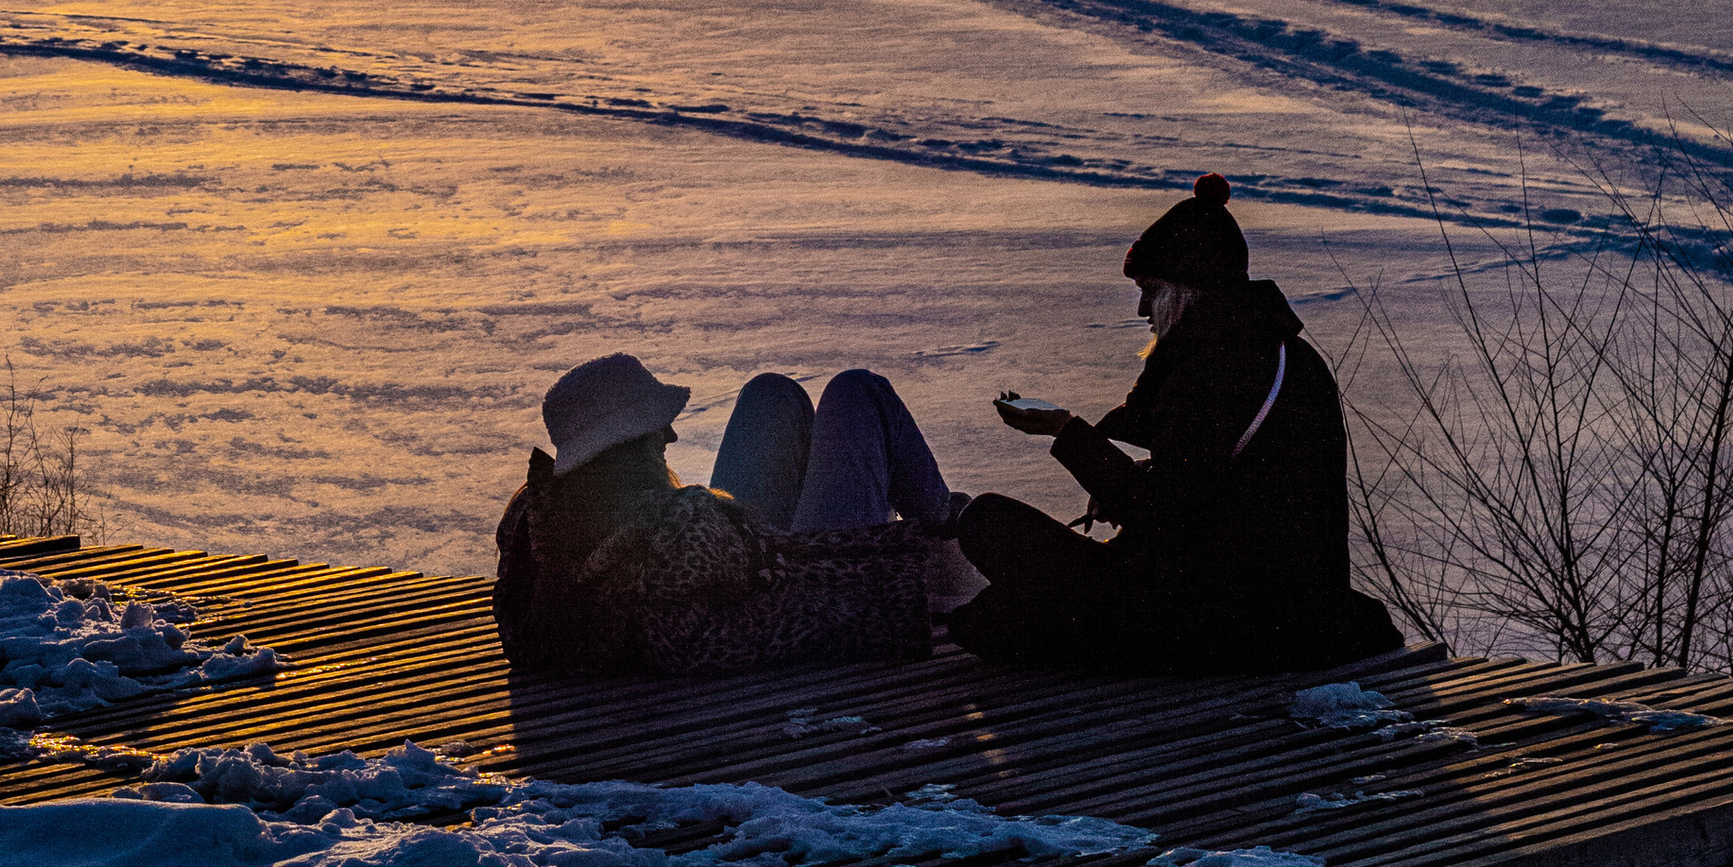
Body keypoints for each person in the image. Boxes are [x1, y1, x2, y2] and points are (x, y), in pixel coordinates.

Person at [944, 173, 1401, 678]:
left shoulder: (1217, 369)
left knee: (988, 527)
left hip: (1224, 616)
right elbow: (1221, 483)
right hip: (1288, 607)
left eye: (1150, 290)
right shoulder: (1283, 355)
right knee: (997, 613)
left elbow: (1165, 511)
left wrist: (1066, 431)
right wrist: (1126, 479)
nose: (1142, 309)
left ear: (1187, 289)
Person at [493, 351, 978, 681]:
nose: (671, 440)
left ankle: (949, 527)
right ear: (628, 443)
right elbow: (784, 584)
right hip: (825, 586)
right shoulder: (678, 533)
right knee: (858, 392)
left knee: (772, 392)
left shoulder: (540, 529)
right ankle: (954, 536)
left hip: (755, 572)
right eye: (657, 428)